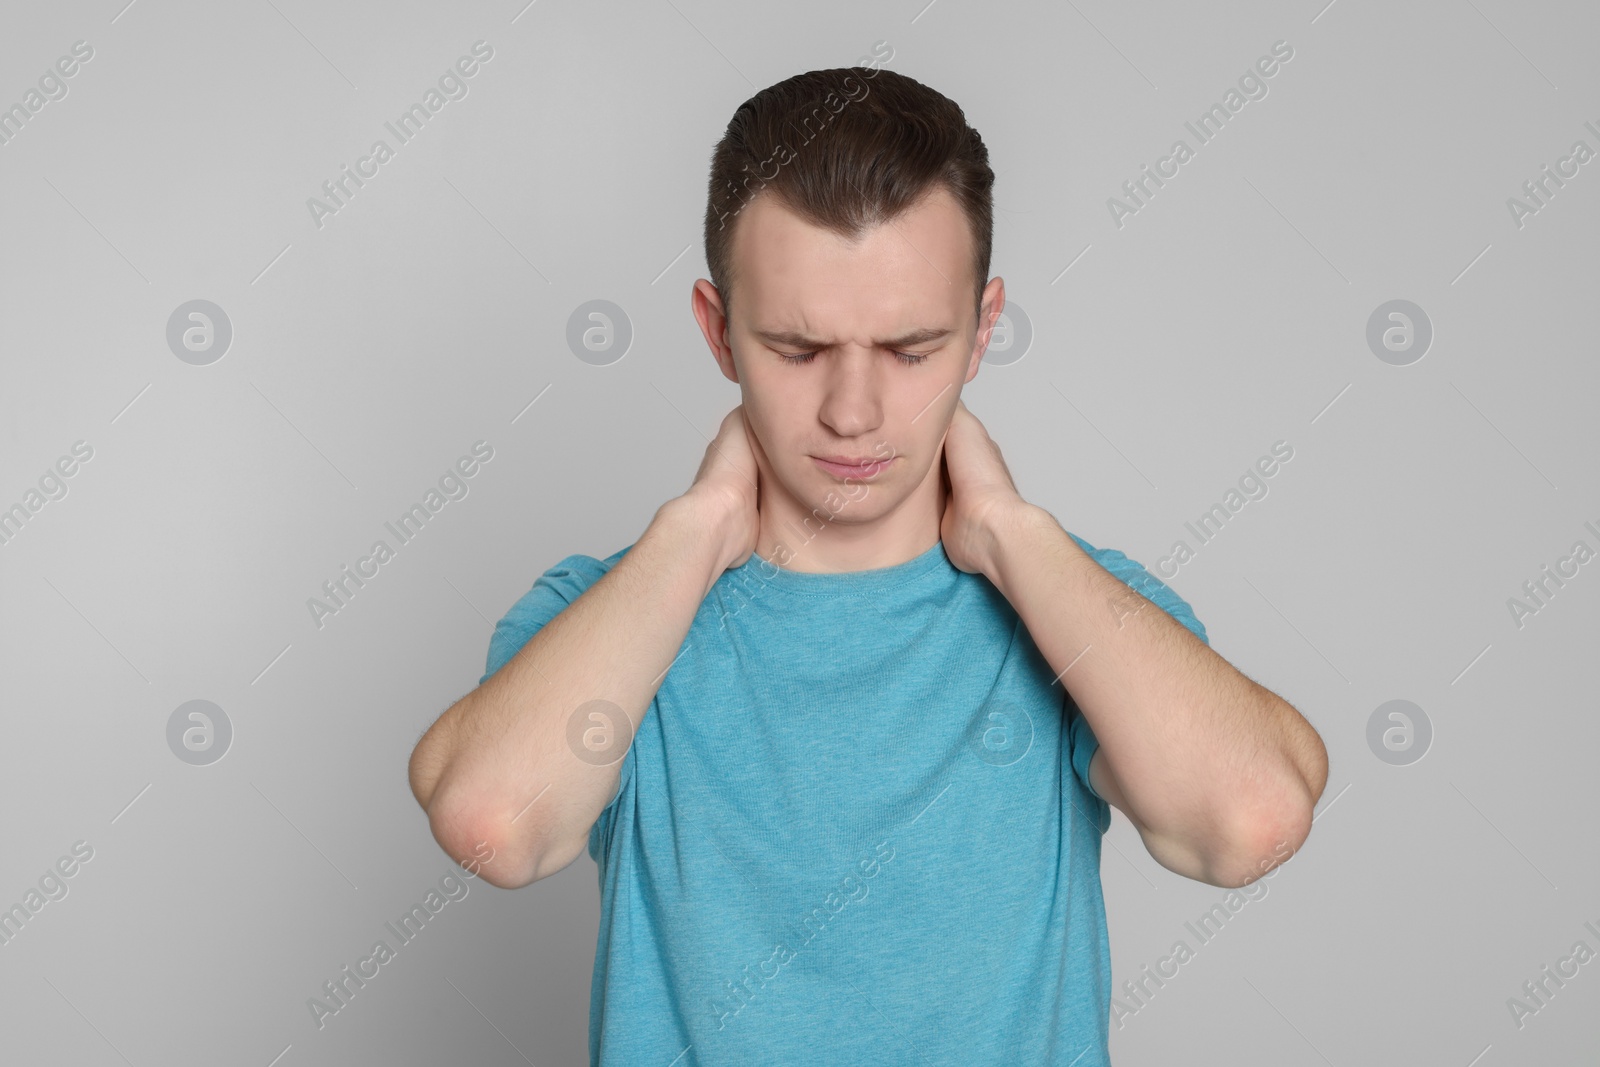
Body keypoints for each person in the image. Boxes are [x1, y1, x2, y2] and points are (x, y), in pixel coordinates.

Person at [408, 65, 1327, 1066]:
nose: (853, 411)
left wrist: (1011, 532)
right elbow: (493, 823)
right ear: (718, 332)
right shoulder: (606, 614)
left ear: (983, 329)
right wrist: (698, 527)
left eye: (912, 346)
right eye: (798, 348)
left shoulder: (1073, 605)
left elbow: (1250, 820)